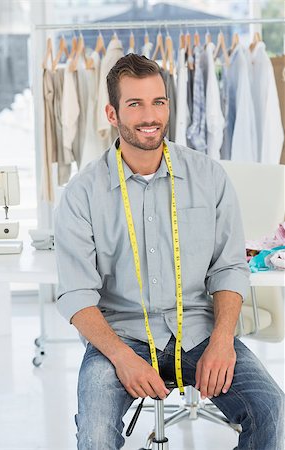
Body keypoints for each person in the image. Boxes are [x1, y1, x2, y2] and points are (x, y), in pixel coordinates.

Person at [54, 54, 284, 450]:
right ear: (112, 113)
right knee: (94, 434)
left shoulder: (208, 175)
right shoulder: (81, 194)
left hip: (199, 332)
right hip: (120, 337)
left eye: (158, 102)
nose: (150, 115)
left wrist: (223, 339)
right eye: (135, 104)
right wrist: (122, 358)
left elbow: (229, 267)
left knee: (272, 410)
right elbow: (77, 296)